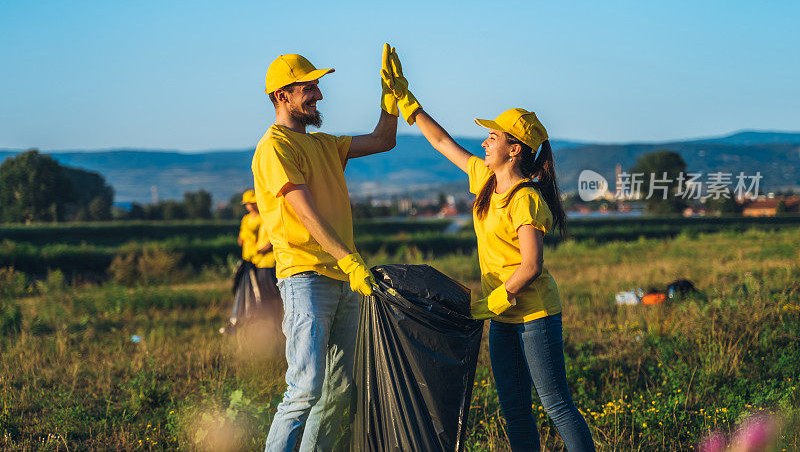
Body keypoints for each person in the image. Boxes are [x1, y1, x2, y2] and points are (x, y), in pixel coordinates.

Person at [383, 48, 595, 451]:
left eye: (493, 137)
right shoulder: (485, 180)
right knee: (513, 407)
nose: (484, 141)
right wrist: (408, 102)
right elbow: (443, 141)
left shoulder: (524, 198)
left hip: (532, 313)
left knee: (555, 404)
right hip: (502, 314)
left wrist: (494, 301)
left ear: (514, 149)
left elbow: (532, 264)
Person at [252, 47, 399, 452]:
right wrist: (348, 258)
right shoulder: (274, 147)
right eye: (308, 88)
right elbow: (305, 213)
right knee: (305, 388)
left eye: (318, 86)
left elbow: (385, 140)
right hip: (306, 277)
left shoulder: (325, 144)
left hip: (342, 278)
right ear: (281, 95)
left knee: (339, 389)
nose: (318, 94)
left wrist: (390, 98)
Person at [222, 190, 279, 334]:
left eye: (253, 203)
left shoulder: (264, 218)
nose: (251, 206)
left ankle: (274, 324)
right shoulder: (246, 220)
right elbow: (241, 239)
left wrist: (260, 250)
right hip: (250, 261)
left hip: (265, 262)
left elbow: (270, 241)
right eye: (248, 204)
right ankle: (246, 322)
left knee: (269, 295)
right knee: (248, 292)